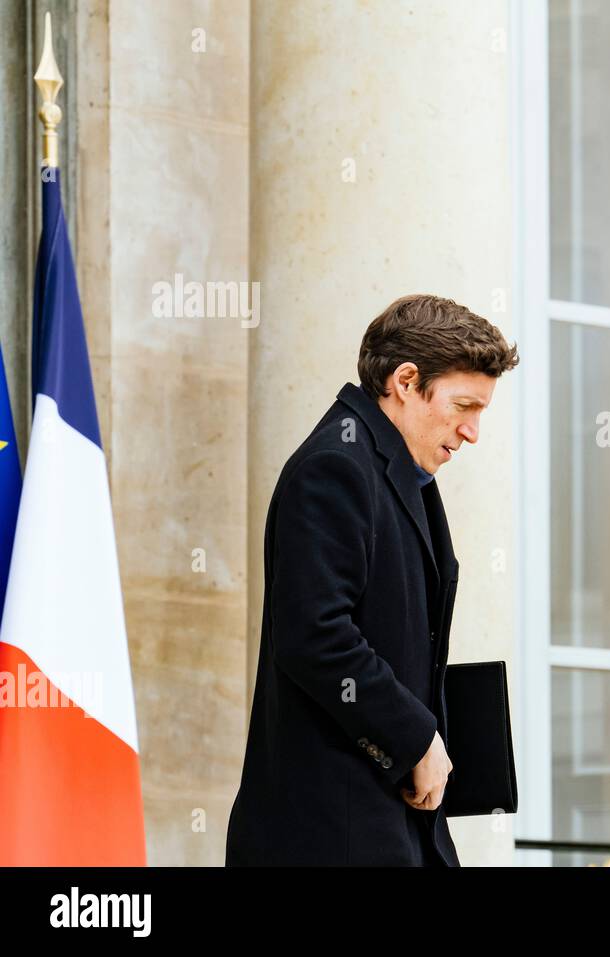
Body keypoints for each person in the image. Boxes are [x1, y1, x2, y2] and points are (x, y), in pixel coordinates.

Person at [226, 293, 519, 865]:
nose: (472, 432)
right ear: (406, 382)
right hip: (333, 834)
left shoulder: (394, 471)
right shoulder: (335, 467)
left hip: (386, 826)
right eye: (464, 405)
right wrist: (416, 740)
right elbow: (315, 636)